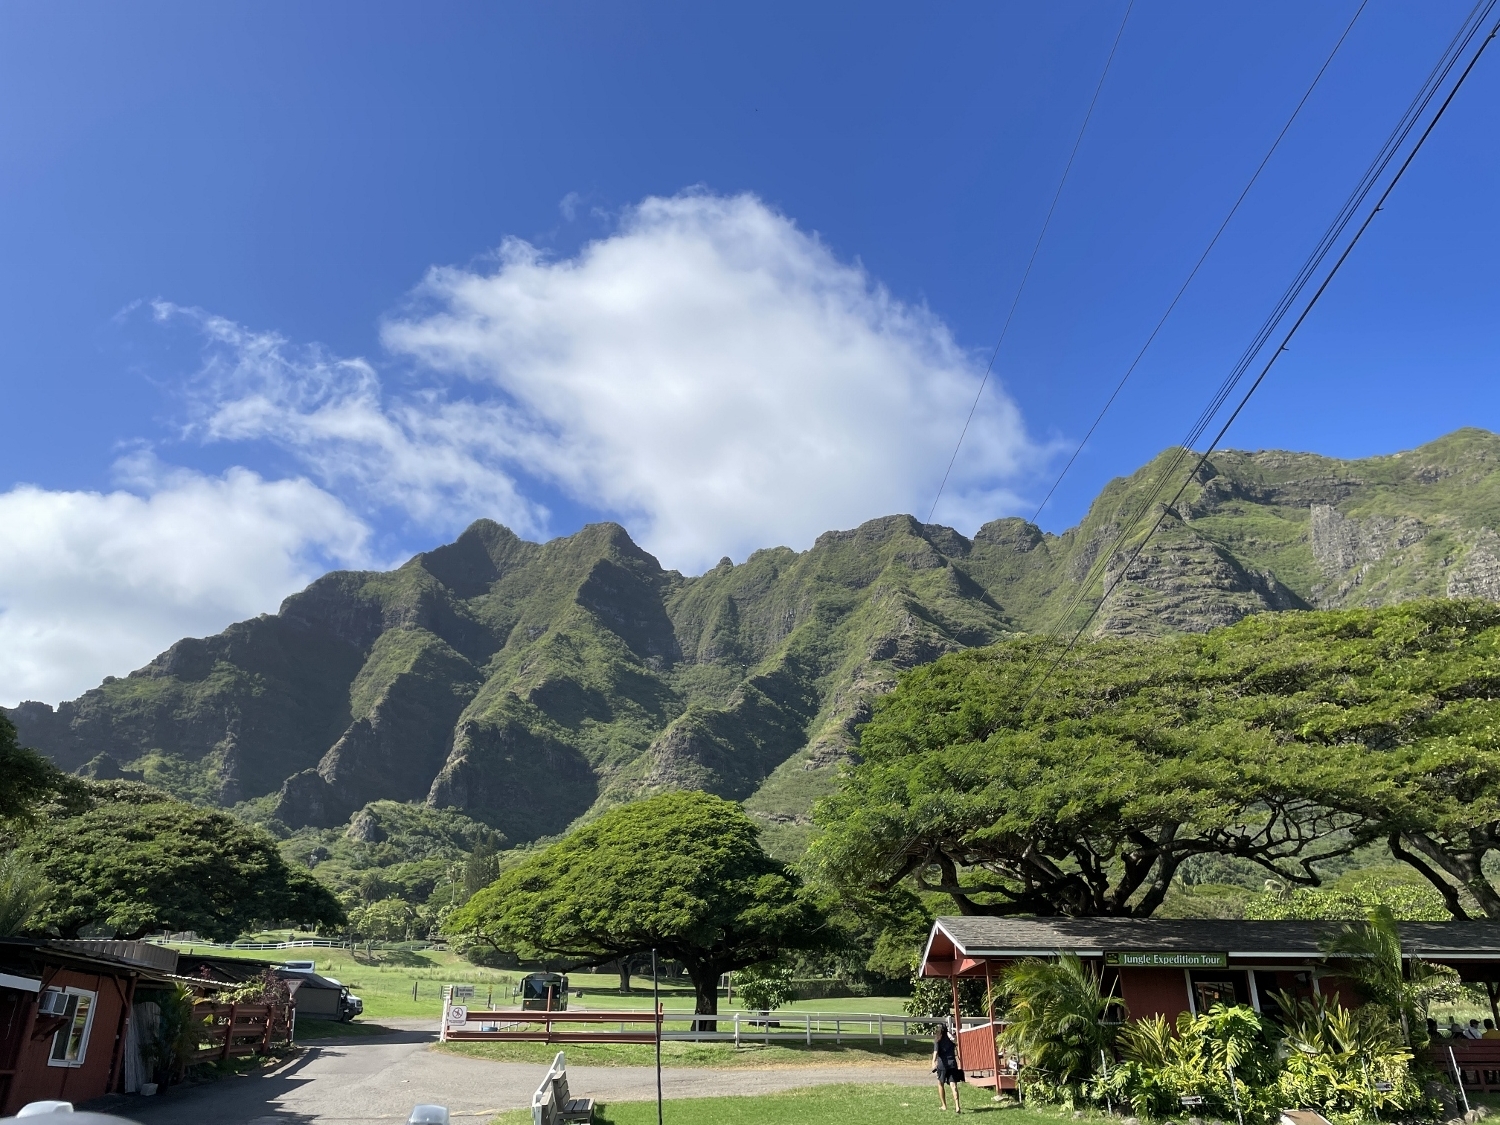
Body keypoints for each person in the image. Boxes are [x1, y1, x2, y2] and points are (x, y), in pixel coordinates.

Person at [932, 1024, 963, 1114]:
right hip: (952, 1063)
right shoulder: (951, 1038)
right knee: (954, 1086)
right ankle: (957, 1106)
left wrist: (933, 1062)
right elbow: (957, 1044)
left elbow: (935, 1052)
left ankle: (944, 1105)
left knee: (940, 1084)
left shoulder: (938, 1039)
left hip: (942, 1065)